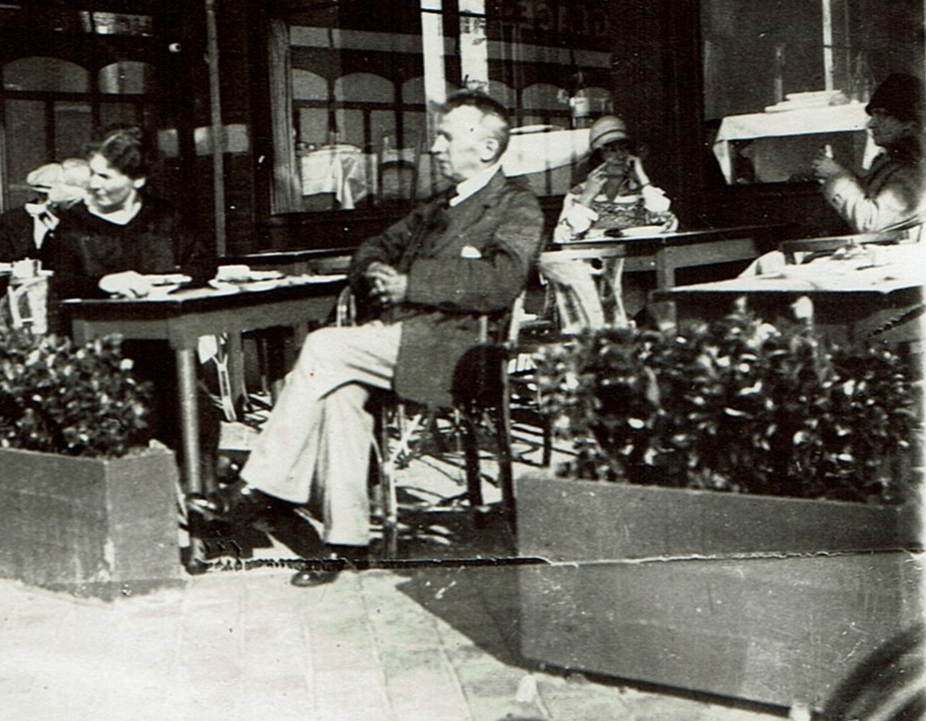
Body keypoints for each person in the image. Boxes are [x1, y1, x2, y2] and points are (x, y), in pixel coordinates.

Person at [196, 90, 545, 585]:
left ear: (487, 148)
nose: (436, 148)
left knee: (323, 346)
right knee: (339, 393)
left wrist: (412, 283)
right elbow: (373, 245)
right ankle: (346, 543)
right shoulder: (438, 205)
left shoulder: (516, 205)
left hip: (457, 352)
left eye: (446, 137)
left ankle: (259, 488)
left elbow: (502, 281)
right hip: (399, 339)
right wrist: (378, 269)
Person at [49, 127, 220, 479]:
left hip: (167, 356)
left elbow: (203, 262)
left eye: (104, 176)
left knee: (200, 418)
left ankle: (200, 498)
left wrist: (180, 278)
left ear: (137, 180)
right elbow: (62, 284)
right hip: (106, 359)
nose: (92, 184)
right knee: (123, 430)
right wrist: (104, 281)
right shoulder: (73, 224)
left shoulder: (166, 217)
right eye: (91, 174)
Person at [812, 72, 926, 233]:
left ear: (910, 122)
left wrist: (837, 177)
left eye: (882, 115)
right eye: (873, 115)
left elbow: (870, 222)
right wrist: (845, 175)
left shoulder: (913, 172)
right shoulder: (893, 162)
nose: (871, 124)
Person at [553, 115, 677, 243]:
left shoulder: (644, 191)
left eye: (624, 148)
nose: (620, 156)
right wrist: (588, 196)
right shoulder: (578, 193)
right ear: (598, 157)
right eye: (612, 150)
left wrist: (642, 179)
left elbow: (668, 224)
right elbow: (564, 236)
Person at [0, 158, 91, 269]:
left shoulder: (77, 218)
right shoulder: (13, 219)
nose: (47, 201)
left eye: (47, 194)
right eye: (40, 194)